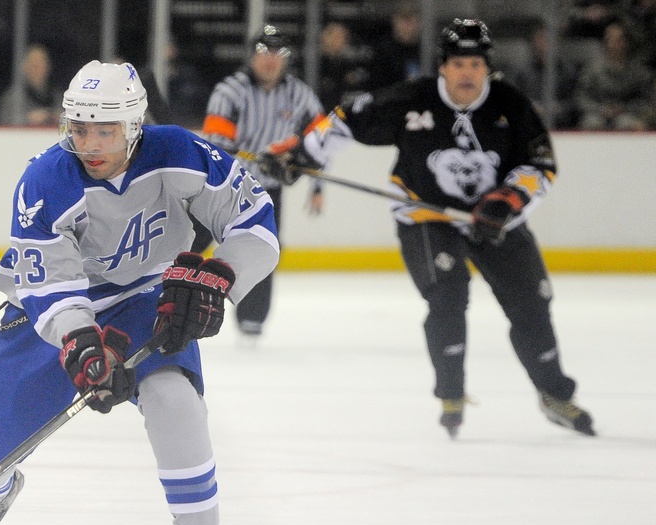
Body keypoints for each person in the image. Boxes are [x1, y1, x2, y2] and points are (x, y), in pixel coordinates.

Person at [0, 61, 279, 525]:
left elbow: (256, 225)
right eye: (79, 128)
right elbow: (52, 287)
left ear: (134, 126)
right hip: (53, 313)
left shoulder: (179, 151)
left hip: (147, 297)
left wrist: (221, 279)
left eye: (105, 130)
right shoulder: (45, 179)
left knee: (176, 403)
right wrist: (81, 343)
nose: (90, 143)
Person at [260, 18, 595, 439]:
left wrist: (508, 200)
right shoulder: (411, 99)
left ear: (486, 67)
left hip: (494, 219)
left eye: (475, 63)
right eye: (459, 64)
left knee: (533, 303)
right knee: (449, 294)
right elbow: (345, 120)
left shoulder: (512, 105)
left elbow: (541, 165)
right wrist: (301, 152)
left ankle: (555, 394)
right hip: (426, 215)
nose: (467, 73)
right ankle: (451, 393)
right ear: (442, 67)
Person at [201, 24, 325, 338]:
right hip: (220, 187)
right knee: (189, 241)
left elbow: (321, 139)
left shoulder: (299, 94)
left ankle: (253, 318)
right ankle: (154, 292)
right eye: (262, 52)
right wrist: (258, 158)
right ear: (251, 57)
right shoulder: (229, 91)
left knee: (263, 249)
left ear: (287, 59)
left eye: (277, 53)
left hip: (265, 192)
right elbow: (216, 147)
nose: (269, 60)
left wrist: (305, 173)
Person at [575, 18, 654, 131]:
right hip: (596, 114)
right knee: (592, 124)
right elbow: (582, 97)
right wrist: (601, 109)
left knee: (627, 124)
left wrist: (624, 108)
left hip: (627, 114)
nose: (615, 44)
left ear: (626, 42)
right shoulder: (592, 69)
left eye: (619, 40)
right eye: (610, 39)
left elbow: (645, 100)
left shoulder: (638, 71)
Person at [507, 19, 581, 129]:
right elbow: (511, 99)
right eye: (541, 38)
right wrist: (531, 107)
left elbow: (576, 102)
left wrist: (559, 108)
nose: (544, 44)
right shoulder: (521, 71)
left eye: (549, 39)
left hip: (560, 125)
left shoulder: (568, 71)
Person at [0, 44, 63, 127]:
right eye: (33, 65)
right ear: (24, 68)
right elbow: (2, 123)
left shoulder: (58, 97)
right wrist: (28, 120)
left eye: (41, 64)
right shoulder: (13, 97)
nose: (38, 69)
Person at [368, 1, 423, 91]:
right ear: (394, 21)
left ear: (419, 22)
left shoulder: (427, 50)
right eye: (403, 19)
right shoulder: (383, 53)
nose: (407, 25)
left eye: (411, 19)